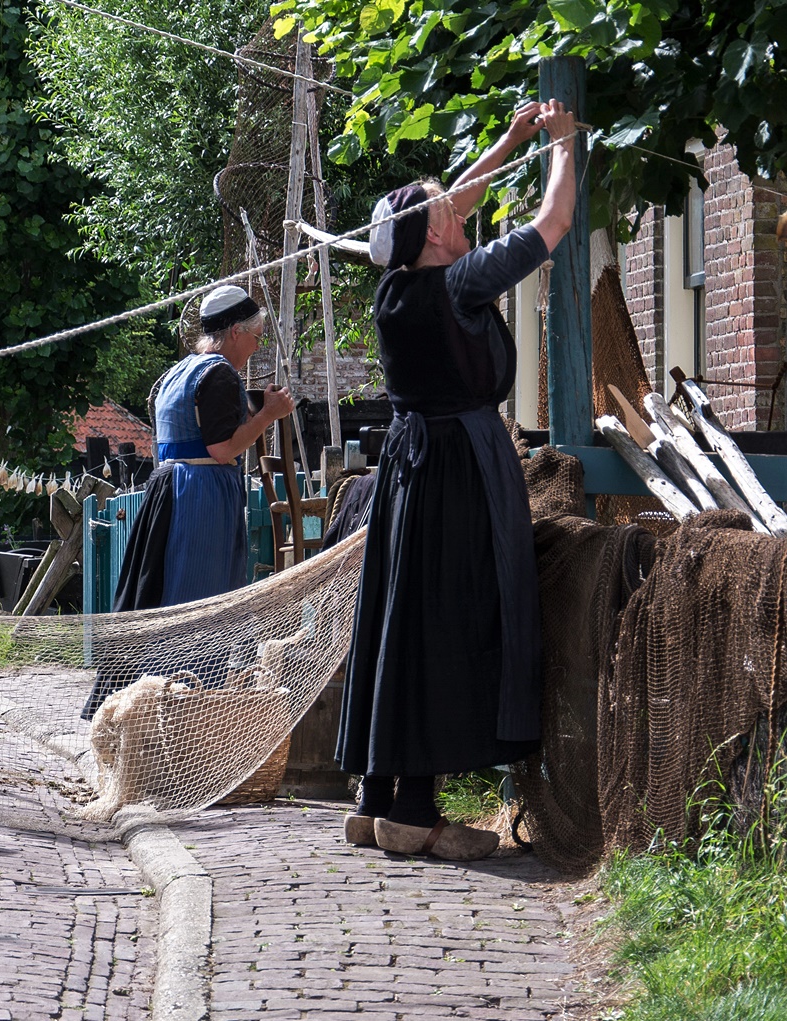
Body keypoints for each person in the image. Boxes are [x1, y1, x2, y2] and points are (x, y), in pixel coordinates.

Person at [338, 101, 578, 861]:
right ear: (435, 233)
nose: (459, 204)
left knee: (402, 616)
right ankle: (415, 812)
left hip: (411, 465)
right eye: (447, 207)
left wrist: (509, 142)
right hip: (460, 468)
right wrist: (564, 149)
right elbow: (553, 224)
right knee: (446, 620)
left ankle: (377, 798)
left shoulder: (397, 289)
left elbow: (442, 212)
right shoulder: (461, 283)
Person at [82, 286, 294, 718]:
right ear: (235, 332)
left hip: (168, 488)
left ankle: (152, 700)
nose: (256, 347)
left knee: (163, 591)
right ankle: (187, 706)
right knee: (200, 594)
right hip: (201, 495)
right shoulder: (218, 376)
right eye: (255, 337)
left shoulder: (179, 372)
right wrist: (267, 415)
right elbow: (223, 449)